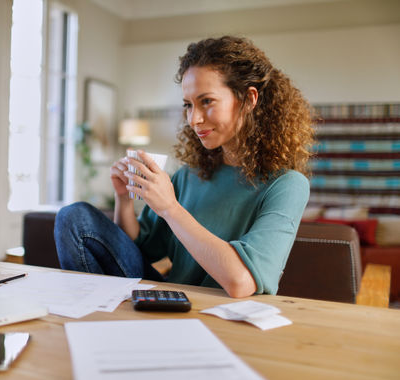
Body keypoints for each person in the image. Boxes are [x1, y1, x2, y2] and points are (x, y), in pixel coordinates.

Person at [54, 35, 315, 298]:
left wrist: (170, 208)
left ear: (249, 99)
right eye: (188, 105)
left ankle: (104, 320)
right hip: (173, 301)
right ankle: (98, 316)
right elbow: (138, 249)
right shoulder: (188, 177)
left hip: (227, 313)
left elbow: (241, 282)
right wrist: (124, 199)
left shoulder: (287, 185)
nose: (194, 119)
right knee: (75, 218)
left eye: (207, 102)